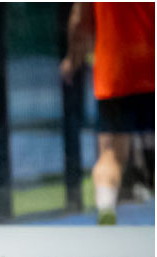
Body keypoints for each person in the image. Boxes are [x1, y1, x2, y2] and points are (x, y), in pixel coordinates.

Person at [61, 2, 155, 225]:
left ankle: (106, 207)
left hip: (115, 71)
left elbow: (79, 20)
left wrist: (72, 60)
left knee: (111, 154)